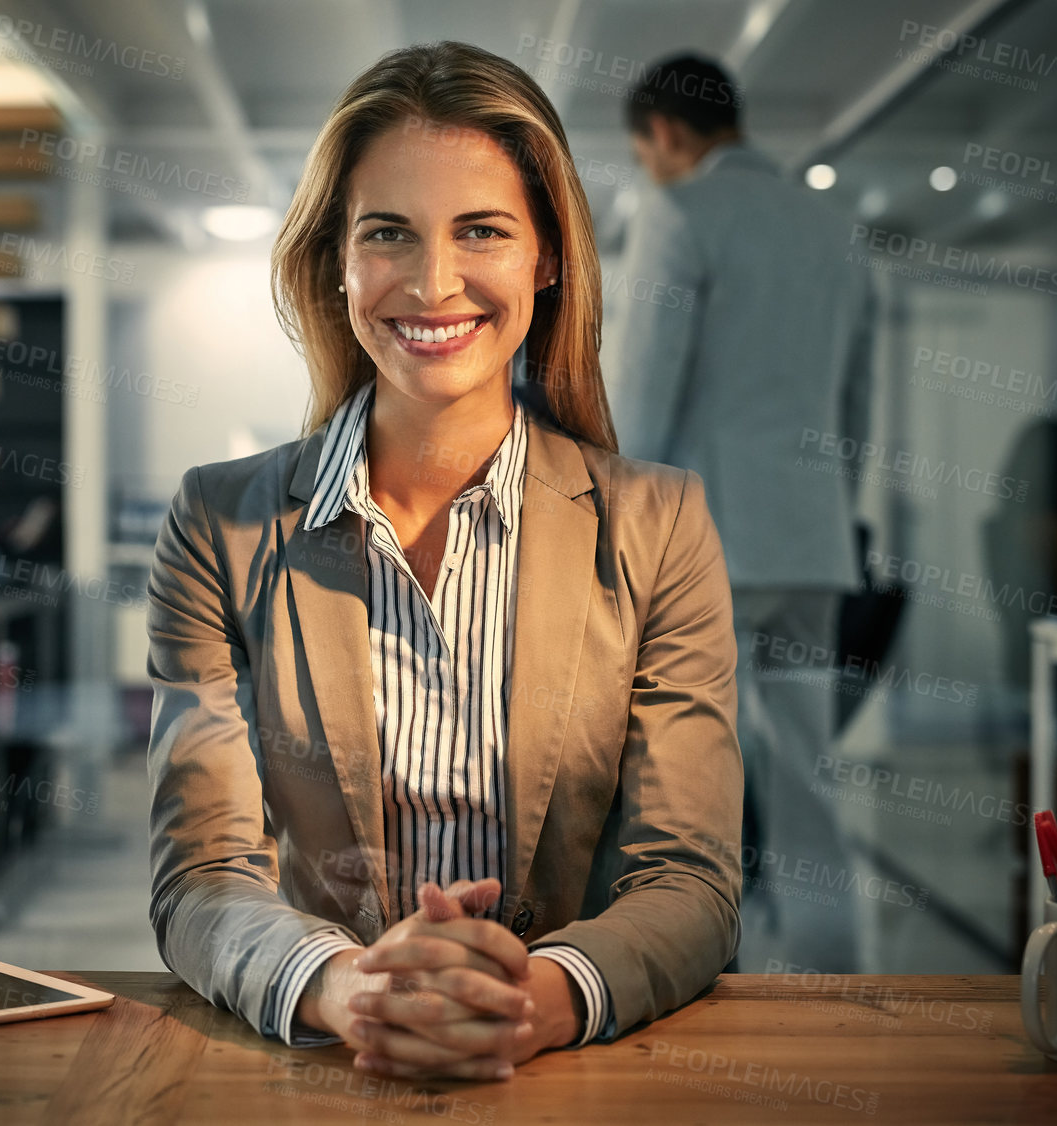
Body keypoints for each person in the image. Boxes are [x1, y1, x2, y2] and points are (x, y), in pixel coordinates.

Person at [145, 41, 743, 1082]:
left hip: (568, 1076)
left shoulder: (660, 524)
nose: (432, 282)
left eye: (482, 231)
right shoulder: (217, 523)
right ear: (336, 258)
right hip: (325, 1067)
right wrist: (347, 987)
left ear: (547, 258)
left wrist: (536, 999)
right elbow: (202, 874)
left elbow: (688, 878)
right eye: (388, 233)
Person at [609, 54, 874, 973]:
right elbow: (857, 409)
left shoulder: (679, 214)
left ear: (665, 133)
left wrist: (609, 534)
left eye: (644, 151)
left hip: (705, 547)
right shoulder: (835, 230)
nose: (648, 169)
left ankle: (683, 973)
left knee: (679, 778)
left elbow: (641, 399)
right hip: (810, 541)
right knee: (807, 779)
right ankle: (833, 977)